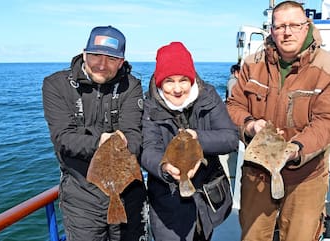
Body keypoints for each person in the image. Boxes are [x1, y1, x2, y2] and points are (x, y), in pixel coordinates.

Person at [226, 1, 330, 241]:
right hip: (258, 171)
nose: (287, 32)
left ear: (307, 26)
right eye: (280, 26)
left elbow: (328, 121)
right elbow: (234, 106)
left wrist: (296, 149)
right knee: (252, 236)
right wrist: (250, 125)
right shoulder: (251, 64)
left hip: (306, 174)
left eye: (294, 25)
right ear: (271, 30)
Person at [42, 26, 148, 241]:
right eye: (95, 56)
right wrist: (101, 141)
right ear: (84, 54)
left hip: (128, 191)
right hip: (81, 196)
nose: (101, 64)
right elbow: (63, 138)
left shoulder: (132, 85)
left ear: (121, 61)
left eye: (110, 59)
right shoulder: (56, 85)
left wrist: (123, 141)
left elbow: (135, 135)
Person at [141, 42, 239, 241]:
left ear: (192, 79)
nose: (177, 89)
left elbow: (230, 138)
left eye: (183, 80)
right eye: (169, 81)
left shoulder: (208, 96)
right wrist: (165, 167)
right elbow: (148, 149)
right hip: (168, 199)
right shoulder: (149, 107)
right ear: (160, 82)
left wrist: (198, 138)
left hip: (207, 197)